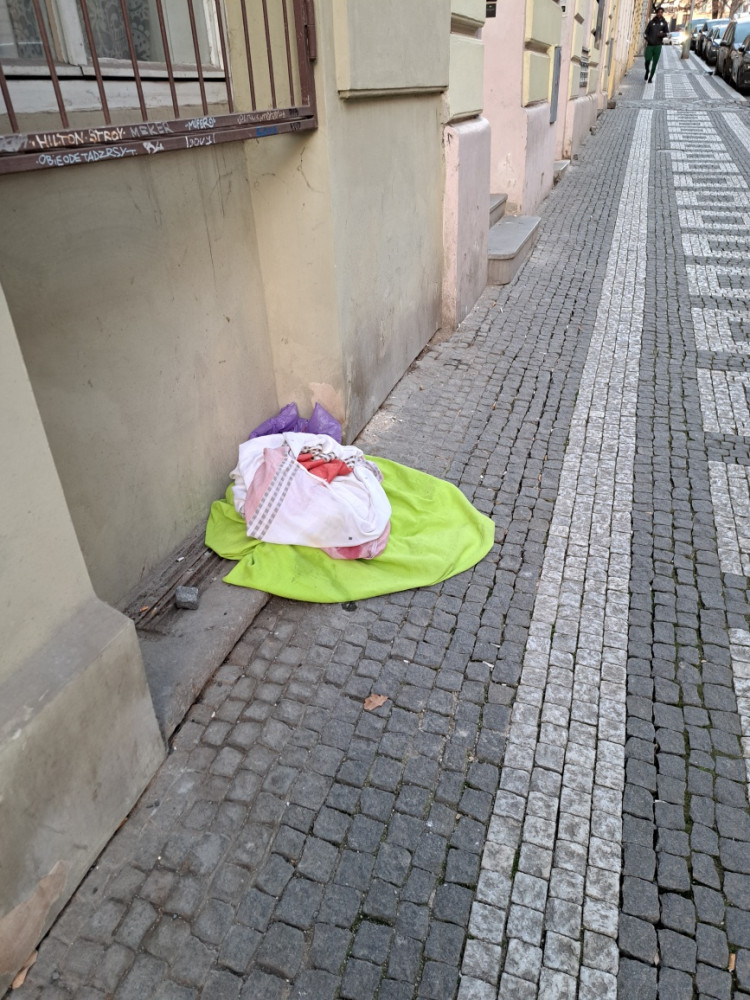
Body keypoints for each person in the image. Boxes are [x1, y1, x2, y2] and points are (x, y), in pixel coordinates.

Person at [644, 6, 669, 82]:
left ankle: (650, 77)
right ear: (656, 13)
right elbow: (645, 33)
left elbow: (667, 33)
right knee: (647, 60)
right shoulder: (651, 22)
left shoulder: (664, 23)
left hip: (658, 45)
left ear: (662, 13)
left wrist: (662, 34)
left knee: (655, 62)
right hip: (650, 45)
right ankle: (647, 70)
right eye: (658, 12)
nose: (660, 13)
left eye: (661, 12)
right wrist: (648, 39)